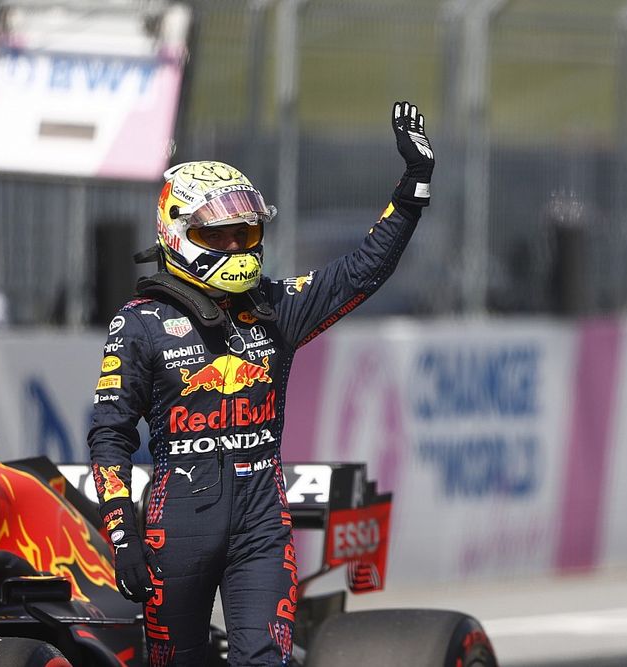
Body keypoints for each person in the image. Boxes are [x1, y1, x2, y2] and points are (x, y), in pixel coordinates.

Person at [87, 101, 434, 665]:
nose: (236, 247)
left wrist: (415, 184)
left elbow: (364, 268)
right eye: (219, 235)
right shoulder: (139, 322)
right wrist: (122, 530)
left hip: (261, 523)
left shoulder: (276, 307)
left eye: (246, 233)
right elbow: (110, 434)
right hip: (175, 529)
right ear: (179, 234)